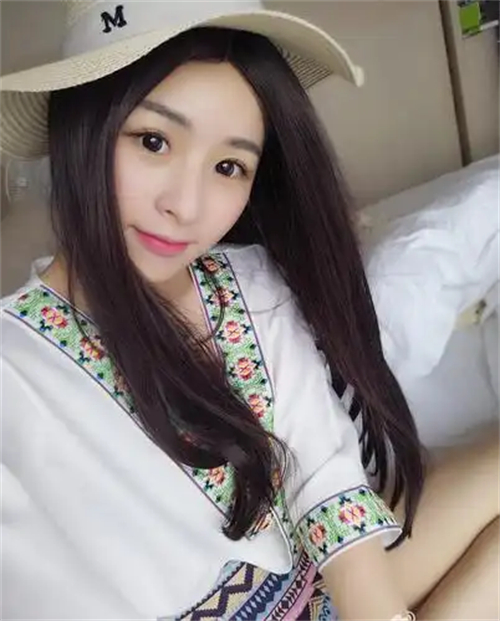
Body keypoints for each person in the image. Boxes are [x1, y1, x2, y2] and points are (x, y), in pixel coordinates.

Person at [1, 2, 498, 620]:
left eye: (228, 166)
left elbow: (323, 471)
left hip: (316, 587)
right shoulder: (13, 372)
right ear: (79, 126)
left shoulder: (248, 281)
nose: (186, 206)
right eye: (154, 141)